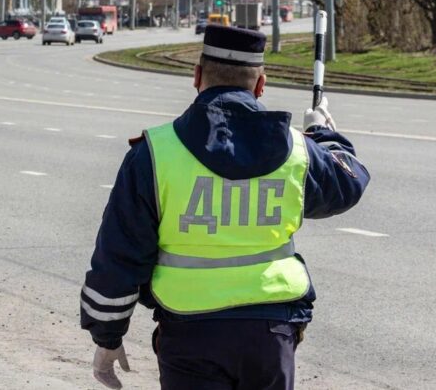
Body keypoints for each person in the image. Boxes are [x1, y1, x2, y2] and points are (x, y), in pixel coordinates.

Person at [81, 25, 370, 390]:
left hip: (189, 334)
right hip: (271, 333)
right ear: (261, 85)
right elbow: (348, 183)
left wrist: (107, 338)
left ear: (197, 76)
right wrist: (323, 132)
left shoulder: (154, 154)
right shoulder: (297, 151)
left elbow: (119, 255)